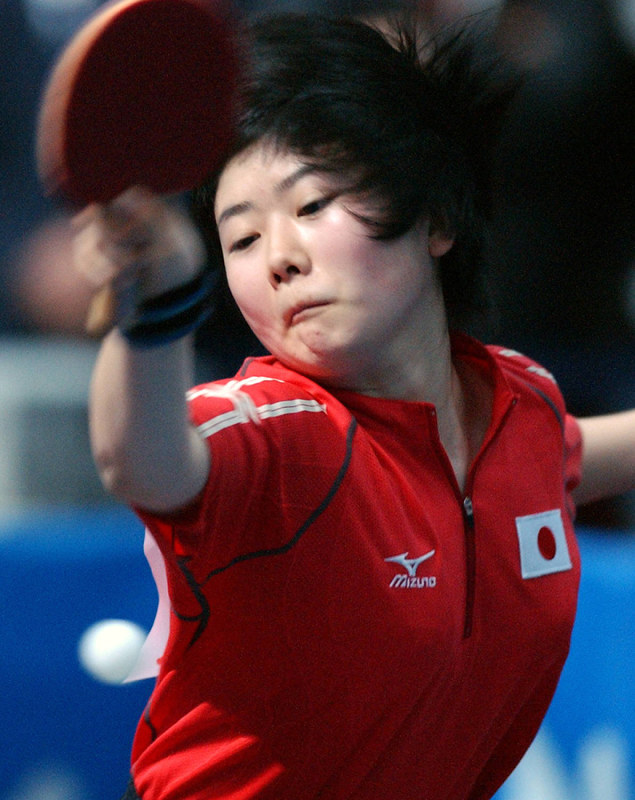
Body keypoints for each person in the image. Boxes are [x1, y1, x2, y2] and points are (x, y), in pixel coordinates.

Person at [73, 12, 635, 800]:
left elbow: (563, 460)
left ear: (434, 216)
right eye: (240, 240)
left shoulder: (521, 410)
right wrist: (156, 307)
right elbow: (141, 458)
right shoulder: (276, 433)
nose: (280, 258)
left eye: (311, 206)